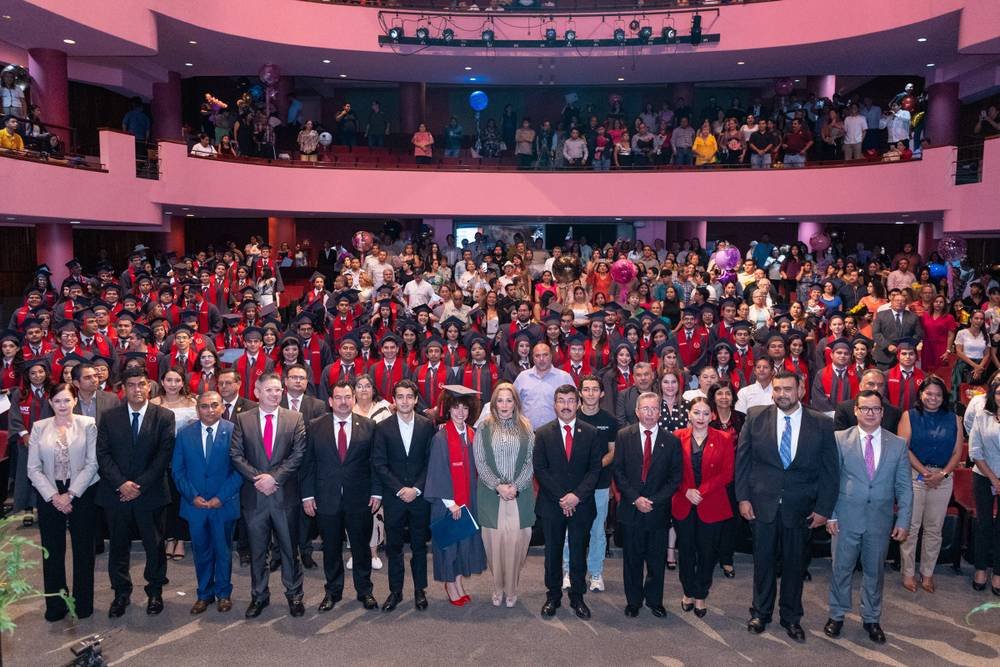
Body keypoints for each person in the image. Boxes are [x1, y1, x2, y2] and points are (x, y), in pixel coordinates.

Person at [736, 370, 839, 642]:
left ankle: (791, 618)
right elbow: (743, 461)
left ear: (801, 390)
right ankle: (760, 613)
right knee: (763, 563)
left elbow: (830, 471)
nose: (782, 394)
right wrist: (743, 498)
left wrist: (824, 509)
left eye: (788, 389)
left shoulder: (821, 423)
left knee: (795, 566)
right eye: (778, 389)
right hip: (762, 505)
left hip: (801, 508)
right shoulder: (755, 416)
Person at [824, 390, 913, 644]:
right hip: (845, 518)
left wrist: (903, 520)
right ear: (856, 411)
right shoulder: (839, 439)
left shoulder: (897, 444)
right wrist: (831, 515)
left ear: (882, 412)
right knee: (841, 569)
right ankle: (837, 615)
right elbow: (830, 481)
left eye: (875, 409)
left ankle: (871, 618)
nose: (870, 413)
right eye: (864, 408)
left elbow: (904, 486)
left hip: (879, 520)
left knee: (875, 572)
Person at [96, 367, 176, 618]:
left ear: (149, 387)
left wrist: (138, 485)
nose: (137, 389)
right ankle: (121, 593)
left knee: (155, 545)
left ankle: (155, 591)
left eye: (141, 384)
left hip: (150, 493)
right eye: (131, 385)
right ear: (123, 389)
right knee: (118, 546)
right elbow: (102, 454)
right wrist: (122, 484)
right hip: (116, 493)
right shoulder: (109, 417)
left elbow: (164, 456)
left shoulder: (164, 416)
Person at [230, 372, 308, 619]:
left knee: (289, 549)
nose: (275, 394)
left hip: (284, 496)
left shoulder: (295, 418)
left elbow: (298, 454)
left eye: (278, 390)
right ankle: (259, 596)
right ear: (257, 392)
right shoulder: (243, 419)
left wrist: (274, 478)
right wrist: (259, 479)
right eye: (269, 390)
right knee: (257, 551)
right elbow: (236, 455)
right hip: (255, 497)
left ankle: (294, 595)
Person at [300, 380, 381, 613]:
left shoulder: (369, 426)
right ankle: (333, 592)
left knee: (361, 548)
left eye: (347, 397)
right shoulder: (315, 426)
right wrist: (307, 495)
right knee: (331, 549)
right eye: (338, 397)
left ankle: (365, 591)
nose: (343, 402)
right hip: (326, 499)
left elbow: (375, 463)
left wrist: (377, 492)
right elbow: (308, 464)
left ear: (354, 399)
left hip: (360, 498)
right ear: (330, 401)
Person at [26, 383, 99, 622]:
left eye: (67, 400)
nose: (62, 405)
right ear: (50, 403)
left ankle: (83, 604)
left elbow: (92, 464)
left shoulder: (88, 424)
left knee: (83, 549)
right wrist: (54, 496)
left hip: (82, 490)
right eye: (57, 401)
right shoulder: (39, 427)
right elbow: (33, 468)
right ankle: (56, 605)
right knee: (52, 551)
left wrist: (71, 494)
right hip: (49, 492)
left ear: (75, 400)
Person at [534, 384, 604, 619]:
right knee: (552, 553)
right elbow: (540, 469)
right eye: (561, 401)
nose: (566, 405)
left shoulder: (591, 433)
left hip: (581, 504)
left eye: (571, 401)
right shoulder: (542, 433)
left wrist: (576, 496)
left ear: (578, 404)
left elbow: (595, 470)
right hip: (552, 504)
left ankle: (577, 597)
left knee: (577, 553)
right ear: (555, 405)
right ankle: (553, 596)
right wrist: (562, 498)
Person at [613, 391, 682, 618]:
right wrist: (635, 498)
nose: (650, 413)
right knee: (632, 559)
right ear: (637, 411)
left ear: (660, 412)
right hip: (631, 508)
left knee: (656, 559)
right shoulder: (624, 436)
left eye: (654, 409)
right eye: (645, 409)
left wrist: (654, 500)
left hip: (657, 510)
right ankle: (633, 601)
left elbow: (675, 478)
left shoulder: (671, 441)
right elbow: (618, 471)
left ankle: (654, 600)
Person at [171, 391, 242, 614]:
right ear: (197, 409)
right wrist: (192, 496)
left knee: (223, 551)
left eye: (214, 405)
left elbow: (240, 470)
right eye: (204, 406)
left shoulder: (234, 431)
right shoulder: (185, 434)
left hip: (223, 504)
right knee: (201, 551)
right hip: (196, 506)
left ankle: (224, 594)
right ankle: (204, 594)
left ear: (222, 407)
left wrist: (221, 497)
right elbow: (178, 470)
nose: (210, 410)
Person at [897, 375, 963, 593]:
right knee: (911, 527)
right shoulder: (909, 416)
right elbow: (903, 448)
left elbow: (957, 452)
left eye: (938, 394)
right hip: (916, 475)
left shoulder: (954, 419)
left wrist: (942, 474)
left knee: (934, 529)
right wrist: (925, 472)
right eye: (929, 393)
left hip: (943, 479)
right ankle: (908, 573)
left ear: (944, 397)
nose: (933, 398)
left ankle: (927, 574)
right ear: (921, 394)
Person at [372, 380, 435, 611]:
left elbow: (431, 461)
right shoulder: (382, 427)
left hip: (419, 497)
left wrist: (416, 489)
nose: (405, 401)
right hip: (394, 497)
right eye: (400, 396)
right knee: (394, 548)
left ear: (416, 399)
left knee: (419, 546)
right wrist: (399, 489)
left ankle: (420, 590)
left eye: (409, 396)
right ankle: (395, 592)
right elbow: (379, 463)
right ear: (394, 400)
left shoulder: (427, 426)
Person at [472, 382, 536, 608]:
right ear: (494, 403)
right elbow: (480, 461)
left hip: (519, 494)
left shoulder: (526, 426)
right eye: (500, 400)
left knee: (517, 542)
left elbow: (530, 461)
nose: (505, 405)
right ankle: (498, 587)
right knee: (495, 544)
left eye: (509, 400)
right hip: (492, 495)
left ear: (515, 403)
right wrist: (498, 486)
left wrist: (515, 486)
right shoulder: (484, 426)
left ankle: (512, 588)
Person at [424, 386, 489, 605]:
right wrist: (451, 503)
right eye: (455, 408)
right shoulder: (441, 438)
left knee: (463, 544)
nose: (460, 412)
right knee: (450, 545)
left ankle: (458, 582)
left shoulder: (472, 434)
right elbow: (437, 472)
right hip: (448, 503)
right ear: (448, 409)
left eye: (464, 408)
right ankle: (450, 584)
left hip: (468, 500)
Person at [672, 397, 734, 617]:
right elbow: (670, 470)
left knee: (708, 553)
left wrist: (702, 491)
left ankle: (700, 594)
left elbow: (727, 473)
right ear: (688, 414)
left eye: (706, 413)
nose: (701, 417)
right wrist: (685, 490)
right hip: (683, 502)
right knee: (686, 551)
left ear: (712, 416)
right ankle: (688, 592)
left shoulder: (724, 438)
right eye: (696, 412)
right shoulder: (677, 437)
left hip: (712, 503)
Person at [565, 375, 618, 593]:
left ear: (602, 393)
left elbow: (613, 451)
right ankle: (567, 571)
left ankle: (596, 572)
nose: (590, 393)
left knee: (597, 530)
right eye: (586, 389)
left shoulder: (610, 420)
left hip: (600, 483)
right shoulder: (571, 417)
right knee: (570, 531)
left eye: (595, 389)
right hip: (573, 486)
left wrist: (594, 467)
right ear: (580, 393)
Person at [968, 379, 1000, 594]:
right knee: (983, 524)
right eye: (999, 393)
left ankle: (998, 572)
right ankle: (980, 569)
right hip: (983, 475)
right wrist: (994, 480)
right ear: (993, 395)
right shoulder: (982, 415)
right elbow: (975, 451)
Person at [514, 342, 574, 429]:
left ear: (551, 356)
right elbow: (513, 403)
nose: (541, 359)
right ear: (533, 358)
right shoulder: (522, 377)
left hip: (556, 431)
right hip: (528, 432)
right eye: (537, 356)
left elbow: (575, 404)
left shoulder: (564, 377)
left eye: (545, 355)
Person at [833, 368, 902, 433]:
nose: (876, 388)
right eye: (871, 384)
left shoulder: (894, 413)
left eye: (880, 385)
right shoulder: (844, 409)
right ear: (860, 386)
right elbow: (839, 438)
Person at [872, 291, 924, 369]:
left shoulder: (913, 317)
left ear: (906, 304)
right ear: (891, 302)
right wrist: (887, 345)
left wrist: (907, 346)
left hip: (906, 355)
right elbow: (876, 333)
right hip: (884, 355)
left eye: (902, 301)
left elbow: (918, 334)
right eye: (897, 300)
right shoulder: (881, 315)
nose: (899, 303)